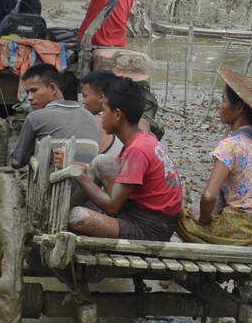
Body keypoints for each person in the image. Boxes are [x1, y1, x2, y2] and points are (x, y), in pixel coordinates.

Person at [65, 77, 182, 241]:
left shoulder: (137, 150)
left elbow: (112, 207)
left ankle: (65, 218)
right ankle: (68, 211)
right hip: (146, 213)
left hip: (149, 228)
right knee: (101, 161)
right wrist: (75, 167)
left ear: (117, 114)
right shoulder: (142, 140)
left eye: (104, 111)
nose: (101, 116)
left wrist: (79, 175)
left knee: (78, 217)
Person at [178, 70, 252, 248]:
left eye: (223, 100)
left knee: (175, 214)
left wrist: (203, 220)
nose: (219, 106)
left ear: (240, 108)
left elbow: (209, 197)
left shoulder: (230, 146)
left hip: (240, 233)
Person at [9, 63, 101, 169]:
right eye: (27, 92)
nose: (29, 97)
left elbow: (17, 161)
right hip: (87, 183)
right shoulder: (89, 116)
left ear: (52, 88)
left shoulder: (35, 118)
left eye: (34, 90)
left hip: (53, 182)